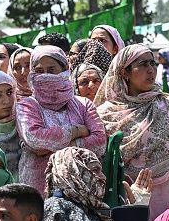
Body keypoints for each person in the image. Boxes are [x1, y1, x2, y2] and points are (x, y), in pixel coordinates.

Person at [94, 44, 169, 221]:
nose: (151, 70)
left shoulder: (168, 105)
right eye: (143, 64)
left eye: (152, 63)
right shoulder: (105, 114)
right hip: (129, 199)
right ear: (125, 72)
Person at [15, 45, 106, 195]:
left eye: (51, 70)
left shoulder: (83, 104)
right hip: (39, 187)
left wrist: (50, 147)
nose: (45, 76)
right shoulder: (27, 105)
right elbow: (34, 138)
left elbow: (100, 142)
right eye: (39, 71)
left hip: (83, 188)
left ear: (64, 71)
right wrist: (77, 131)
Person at [44, 147, 154, 221]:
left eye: (101, 171)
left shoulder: (99, 209)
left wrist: (136, 209)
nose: (103, 177)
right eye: (95, 170)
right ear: (74, 173)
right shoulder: (55, 208)